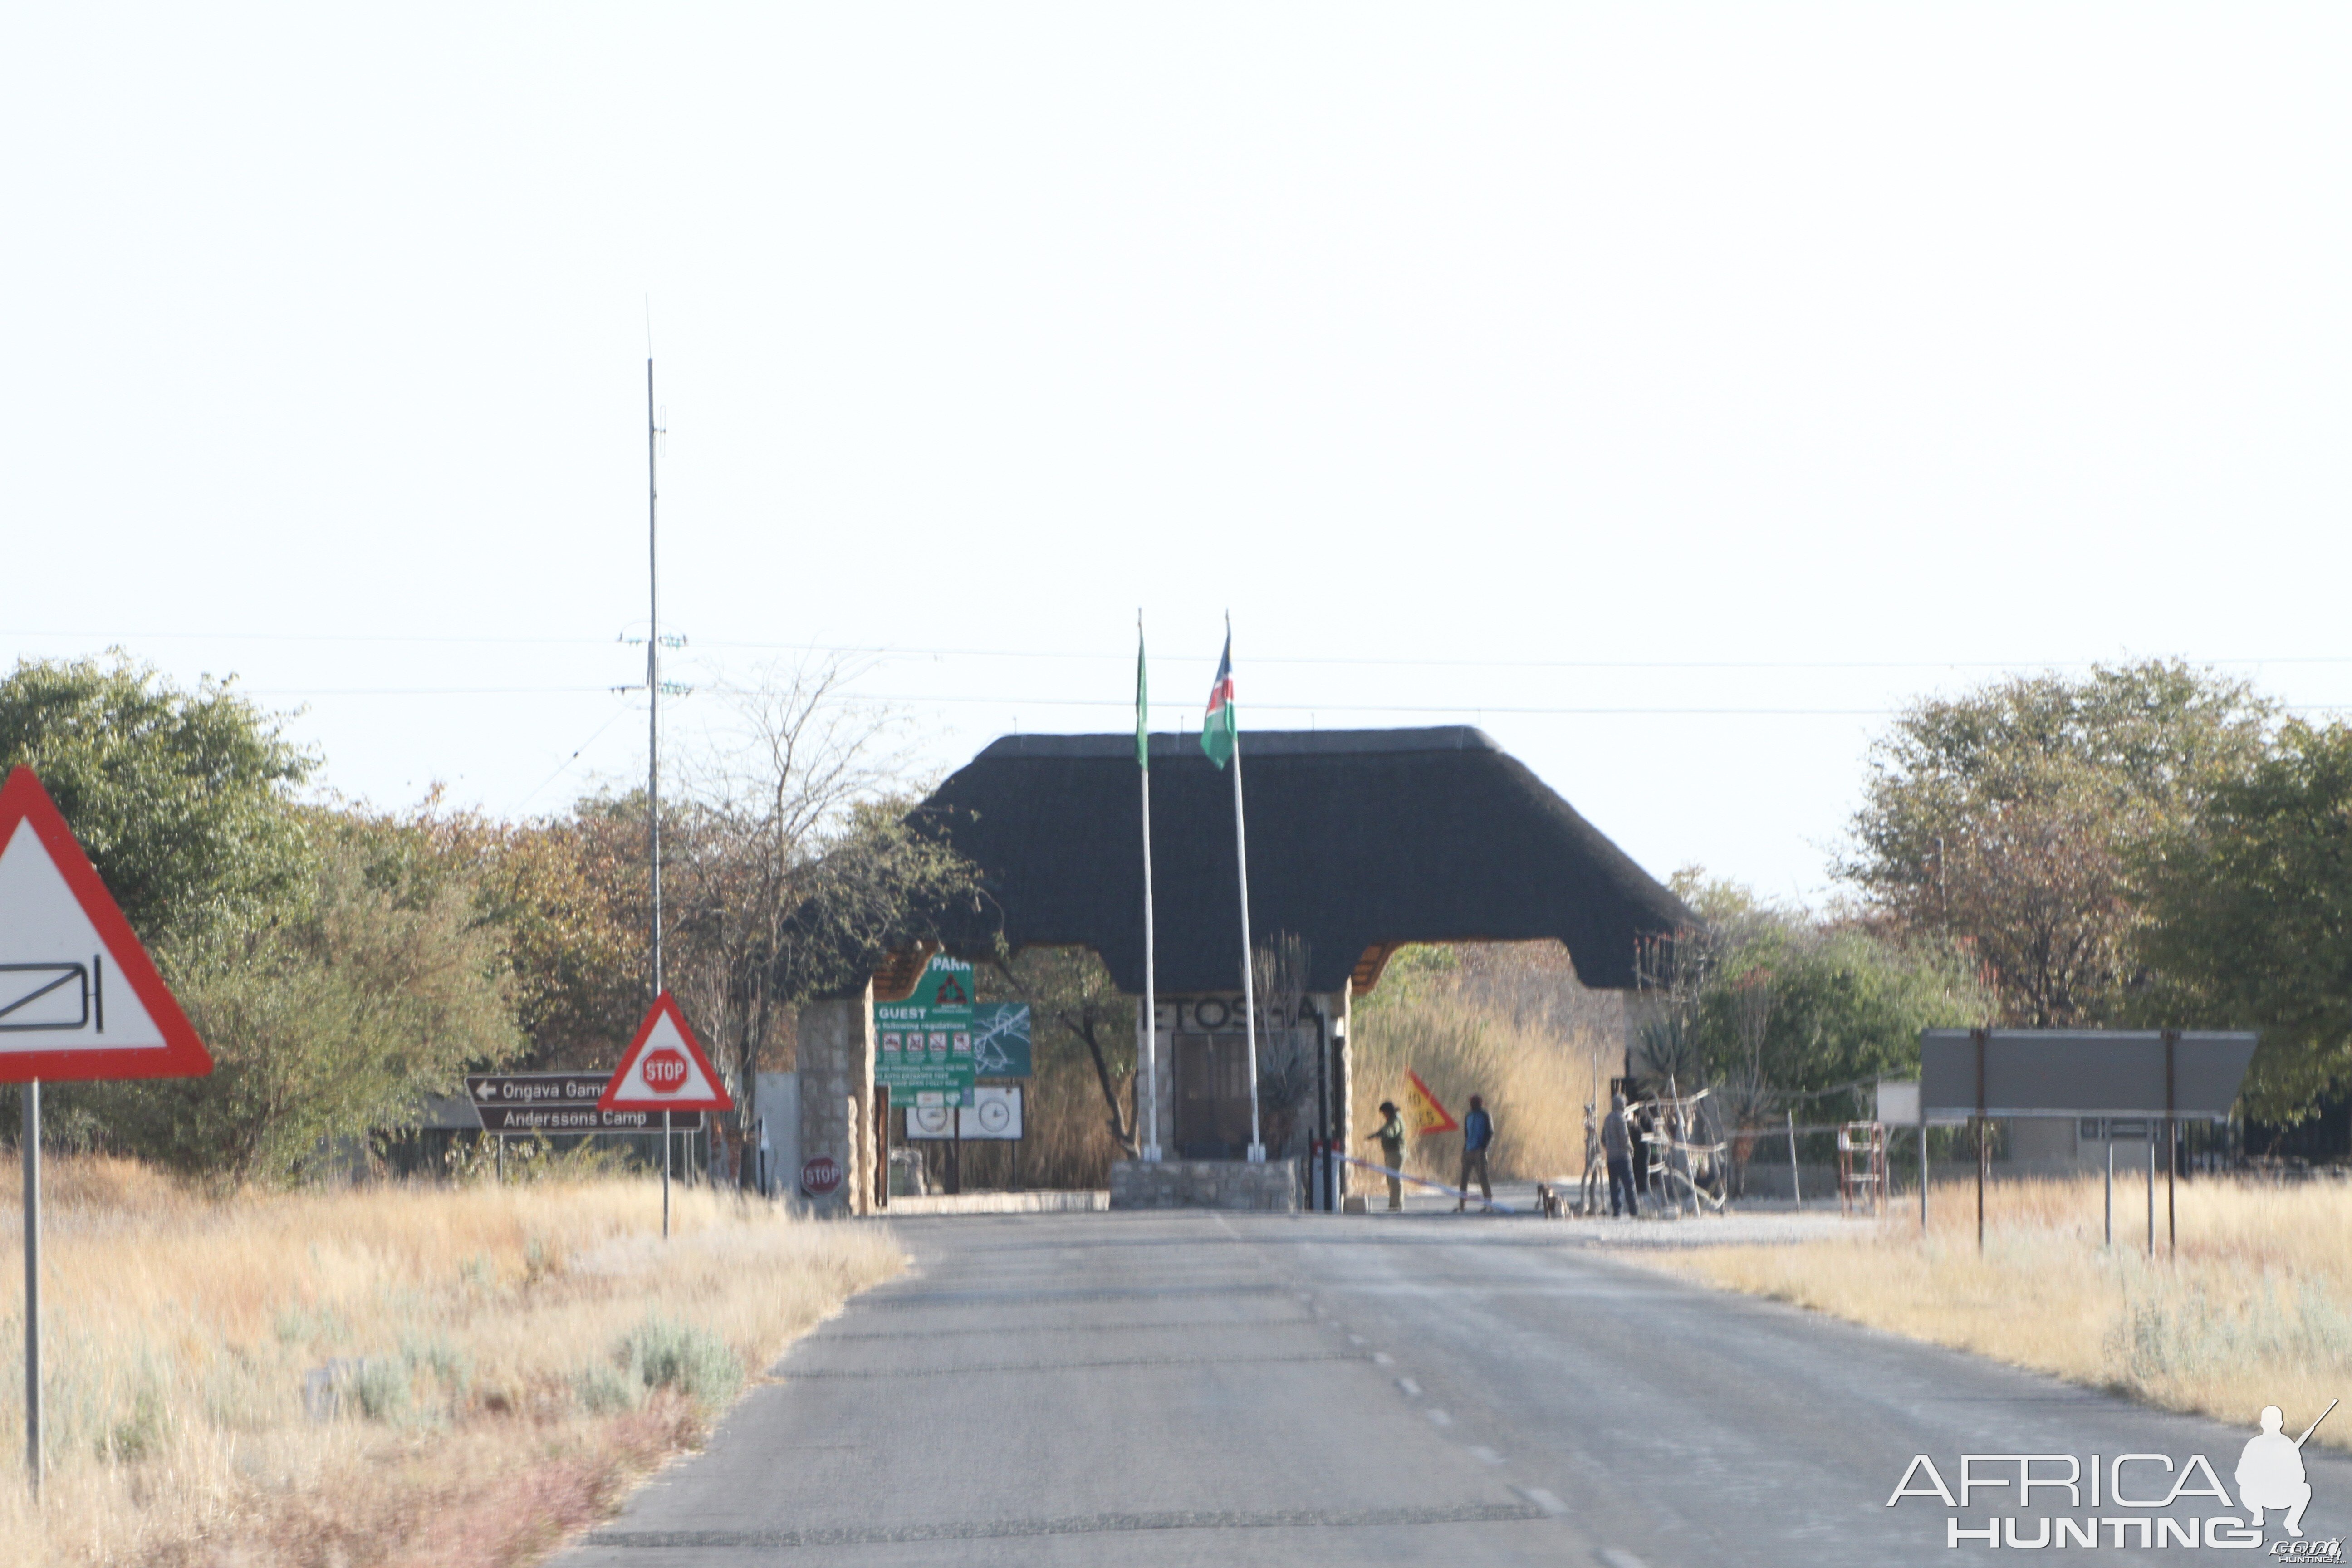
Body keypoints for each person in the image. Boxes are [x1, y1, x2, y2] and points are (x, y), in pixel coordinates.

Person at [2237, 1405, 2313, 1537]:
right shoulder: (2288, 1445)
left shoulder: (2254, 1444)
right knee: (2305, 1489)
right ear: (2281, 1424)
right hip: (2281, 1497)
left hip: (2260, 1497)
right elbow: (2301, 1477)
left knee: (2244, 1489)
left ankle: (2259, 1513)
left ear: (2262, 1424)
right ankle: (2292, 1522)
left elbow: (2240, 1476)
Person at [1602, 1092, 1638, 1218]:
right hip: (1623, 1157)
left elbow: (1603, 1139)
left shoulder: (1607, 1119)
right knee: (1629, 1184)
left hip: (1611, 1158)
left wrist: (1610, 1148)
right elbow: (1625, 1137)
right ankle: (1634, 1211)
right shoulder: (1621, 1118)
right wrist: (1630, 1148)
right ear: (1621, 1105)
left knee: (1614, 1185)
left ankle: (1617, 1211)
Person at [1456, 1094, 1494, 1211]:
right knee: (1464, 1180)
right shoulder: (1468, 1116)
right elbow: (1467, 1134)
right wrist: (1464, 1150)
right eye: (1471, 1103)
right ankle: (1462, 1205)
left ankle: (1488, 1204)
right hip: (1468, 1150)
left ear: (1480, 1104)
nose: (1472, 1105)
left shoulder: (1485, 1115)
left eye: (1475, 1103)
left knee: (1483, 1178)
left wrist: (1485, 1147)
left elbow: (1491, 1133)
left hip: (1480, 1151)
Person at [1367, 1100, 1407, 1210]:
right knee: (1391, 1179)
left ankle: (1397, 1205)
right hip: (1391, 1152)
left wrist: (1384, 1134)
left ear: (1389, 1112)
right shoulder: (1391, 1120)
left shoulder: (1396, 1121)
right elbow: (1383, 1130)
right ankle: (1394, 1204)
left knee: (1395, 1179)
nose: (1384, 1116)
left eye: (1385, 1113)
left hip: (1396, 1152)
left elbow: (1391, 1132)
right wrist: (1375, 1135)